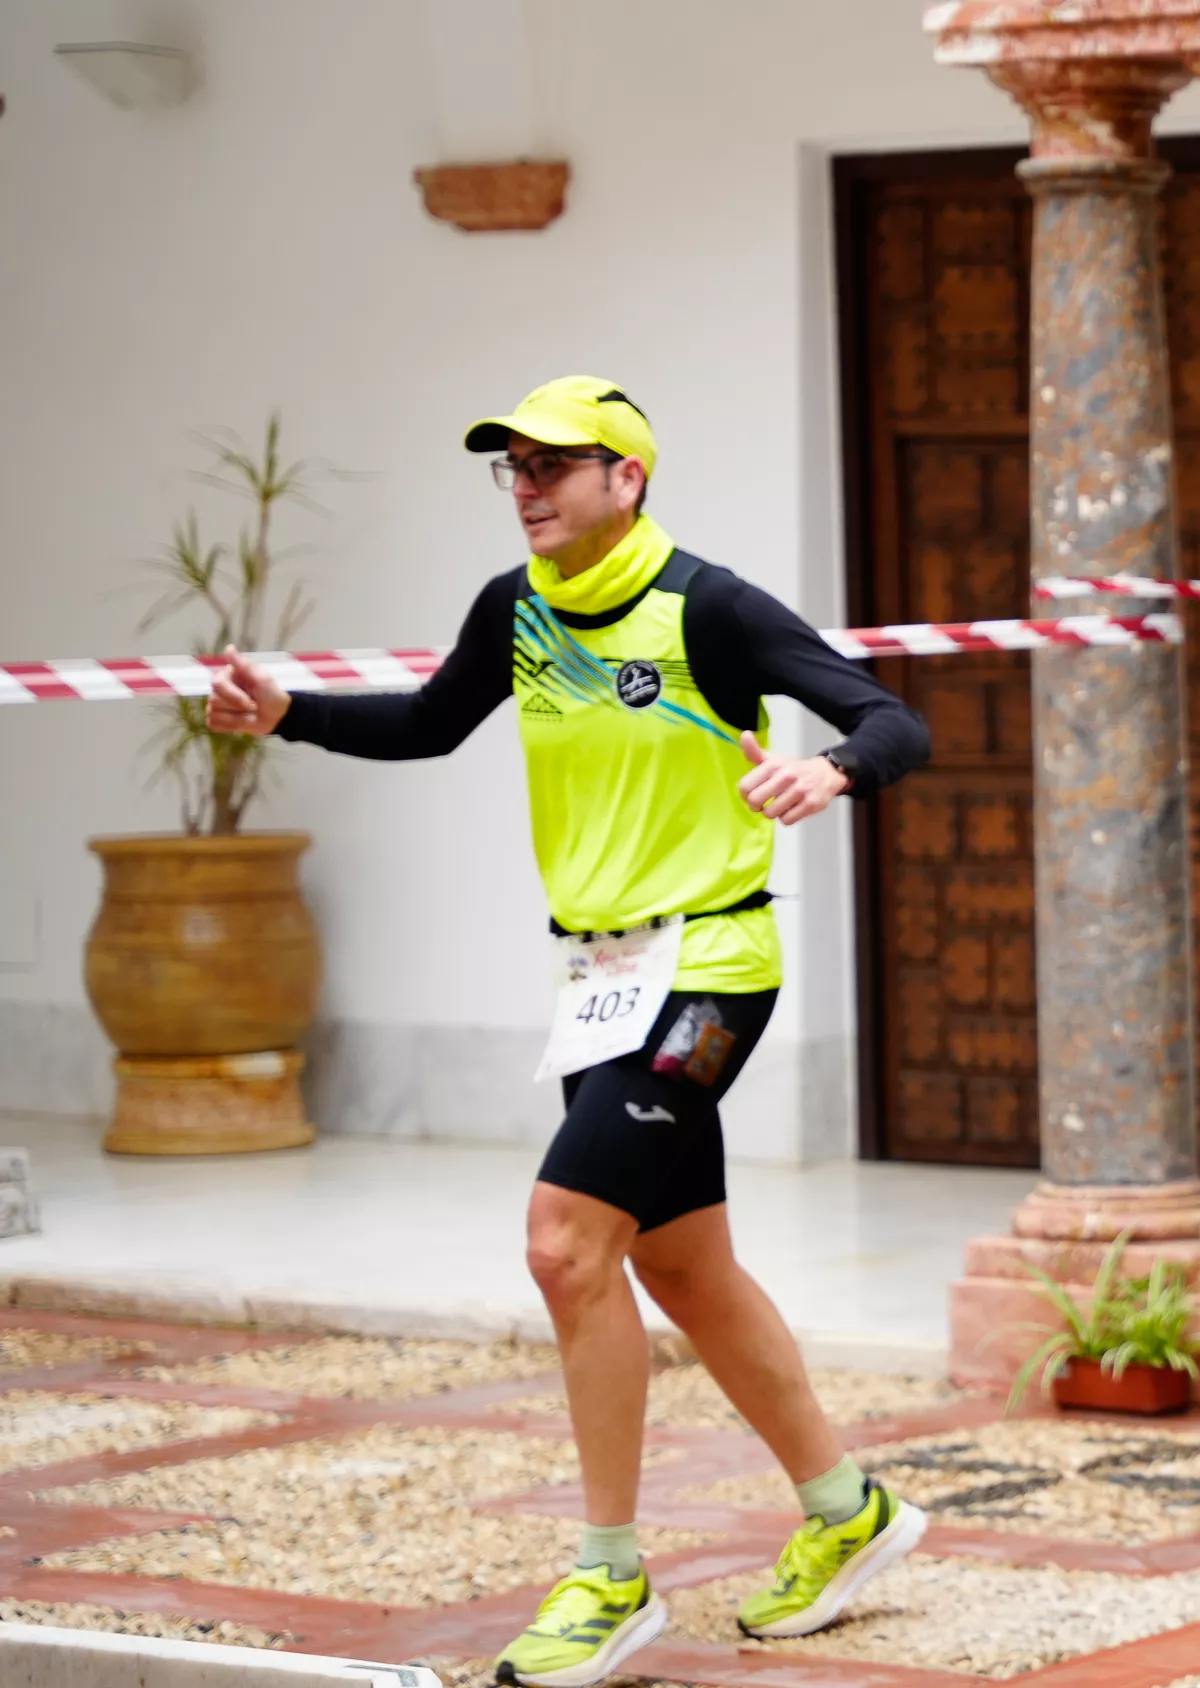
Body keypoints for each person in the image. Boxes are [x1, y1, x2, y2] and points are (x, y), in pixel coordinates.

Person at [207, 378, 933, 1686]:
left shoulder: (710, 607)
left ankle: (608, 1574)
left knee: (562, 1244)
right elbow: (432, 725)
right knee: (685, 1271)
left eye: (554, 462)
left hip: (714, 965)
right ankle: (850, 1513)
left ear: (628, 479)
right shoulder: (518, 609)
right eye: (512, 466)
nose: (528, 484)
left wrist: (830, 767)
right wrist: (290, 716)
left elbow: (894, 718)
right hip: (600, 983)